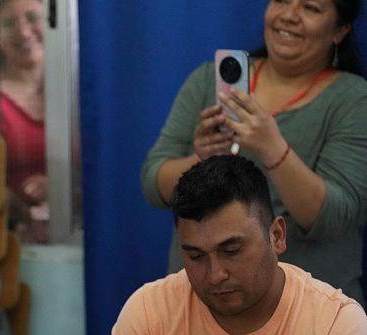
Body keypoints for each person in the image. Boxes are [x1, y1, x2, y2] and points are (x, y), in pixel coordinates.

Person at [141, 0, 367, 305]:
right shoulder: (209, 81)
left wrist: (273, 148)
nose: (289, 16)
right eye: (282, 1)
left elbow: (332, 217)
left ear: (340, 30)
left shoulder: (354, 99)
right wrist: (201, 158)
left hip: (307, 314)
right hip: (203, 307)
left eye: (310, 8)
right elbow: (154, 184)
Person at [108, 155, 367, 335]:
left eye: (232, 251)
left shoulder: (336, 326)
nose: (215, 275)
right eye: (196, 256)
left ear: (276, 235)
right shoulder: (149, 311)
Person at [0, 0, 48, 243]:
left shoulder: (79, 93)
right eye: (9, 23)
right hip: (11, 237)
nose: (23, 30)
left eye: (31, 17)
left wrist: (61, 189)